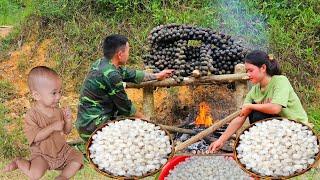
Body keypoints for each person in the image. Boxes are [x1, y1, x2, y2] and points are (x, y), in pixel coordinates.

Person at [76, 34, 174, 141]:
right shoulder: (111, 75)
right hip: (93, 125)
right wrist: (146, 120)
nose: (129, 54)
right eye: (128, 51)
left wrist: (156, 76)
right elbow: (125, 107)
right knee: (134, 131)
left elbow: (128, 73)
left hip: (84, 122)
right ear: (120, 54)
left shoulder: (102, 63)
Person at [208, 50, 309, 152]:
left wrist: (251, 106)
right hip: (277, 130)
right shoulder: (254, 91)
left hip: (296, 128)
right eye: (246, 71)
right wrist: (221, 140)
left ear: (263, 68)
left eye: (251, 71)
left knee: (256, 111)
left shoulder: (280, 81)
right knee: (255, 113)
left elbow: (275, 108)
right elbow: (241, 117)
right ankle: (267, 149)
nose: (248, 74)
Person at [2, 66, 83, 180]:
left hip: (62, 151)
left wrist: (68, 120)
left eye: (60, 92)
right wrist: (53, 127)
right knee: (35, 175)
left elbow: (67, 131)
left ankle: (63, 177)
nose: (59, 96)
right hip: (42, 155)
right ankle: (19, 162)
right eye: (54, 93)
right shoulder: (32, 115)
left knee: (78, 158)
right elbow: (36, 138)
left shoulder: (58, 111)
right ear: (37, 95)